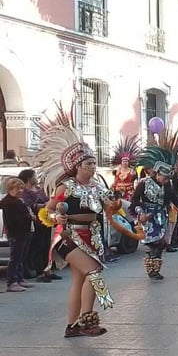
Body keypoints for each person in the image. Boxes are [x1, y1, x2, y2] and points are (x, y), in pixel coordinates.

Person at [34, 104, 114, 337]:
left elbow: (111, 205)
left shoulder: (97, 186)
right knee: (95, 272)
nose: (93, 166)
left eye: (93, 163)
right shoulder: (65, 187)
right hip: (69, 238)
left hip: (92, 238)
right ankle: (88, 322)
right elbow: (46, 211)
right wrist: (56, 217)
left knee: (79, 281)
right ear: (78, 166)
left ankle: (72, 327)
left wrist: (122, 209)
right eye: (88, 164)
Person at [133, 131, 178, 280]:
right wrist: (141, 214)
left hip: (161, 216)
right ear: (157, 173)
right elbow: (134, 201)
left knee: (160, 244)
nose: (166, 181)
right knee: (153, 243)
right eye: (164, 178)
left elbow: (174, 199)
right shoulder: (143, 183)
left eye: (167, 179)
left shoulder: (167, 186)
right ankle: (151, 270)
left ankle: (155, 269)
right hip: (148, 216)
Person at [19, 169, 58, 283]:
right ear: (29, 178)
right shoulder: (25, 192)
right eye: (34, 176)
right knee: (38, 246)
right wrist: (42, 205)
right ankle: (39, 271)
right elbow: (28, 205)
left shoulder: (39, 189)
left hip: (45, 220)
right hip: (35, 222)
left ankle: (47, 270)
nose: (37, 178)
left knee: (47, 246)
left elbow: (48, 200)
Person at [2, 178, 35, 292]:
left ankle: (20, 279)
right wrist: (28, 217)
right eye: (17, 188)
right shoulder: (9, 203)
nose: (20, 191)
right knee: (15, 258)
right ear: (10, 189)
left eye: (22, 188)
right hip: (16, 233)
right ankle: (11, 282)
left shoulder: (18, 201)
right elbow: (13, 220)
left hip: (23, 232)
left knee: (20, 257)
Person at [111, 135, 140, 200]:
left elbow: (135, 183)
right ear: (121, 162)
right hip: (118, 193)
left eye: (126, 161)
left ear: (128, 162)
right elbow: (115, 181)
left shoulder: (132, 171)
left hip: (128, 193)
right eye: (123, 161)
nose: (125, 163)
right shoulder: (117, 170)